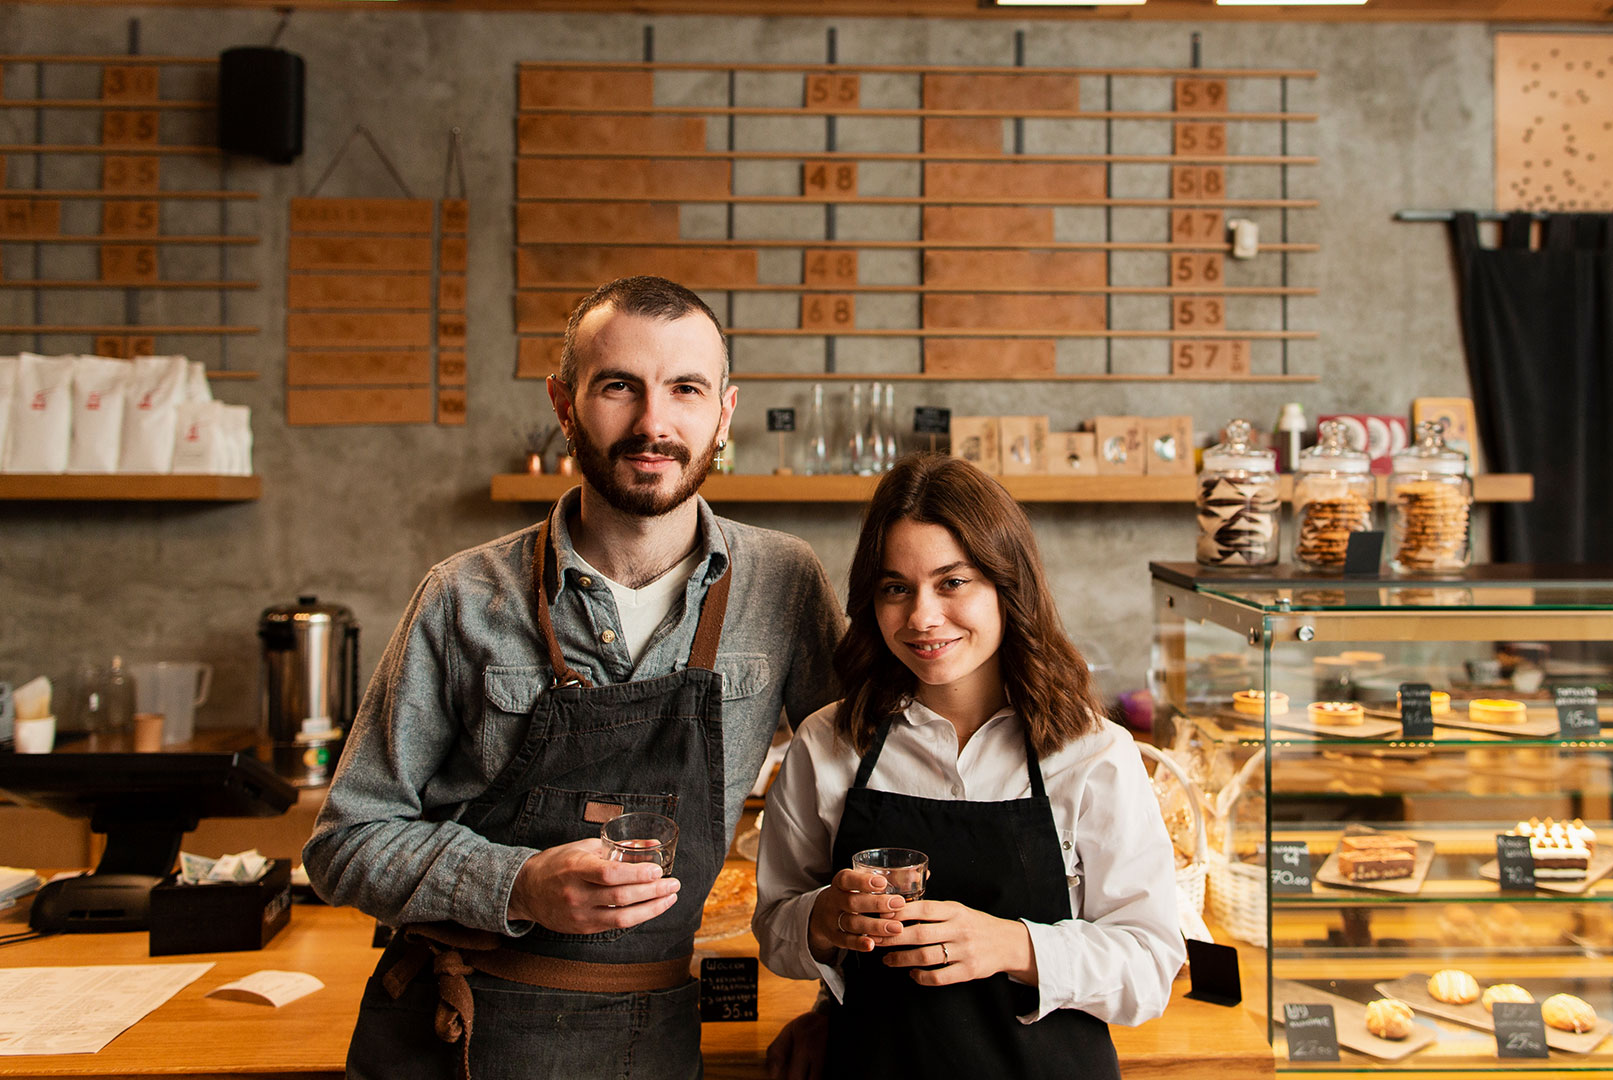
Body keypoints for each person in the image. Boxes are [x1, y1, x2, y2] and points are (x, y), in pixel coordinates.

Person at [305, 275, 844, 1080]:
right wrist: (516, 884)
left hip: (654, 1038)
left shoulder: (784, 583)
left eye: (686, 389)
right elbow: (346, 841)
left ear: (723, 414)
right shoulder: (462, 596)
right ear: (564, 404)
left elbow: (867, 805)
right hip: (455, 1035)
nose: (654, 423)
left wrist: (839, 1004)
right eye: (618, 387)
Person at [752, 452, 1183, 1080]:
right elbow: (774, 931)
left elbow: (1149, 968)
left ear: (1008, 587)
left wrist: (1014, 945)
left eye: (953, 582)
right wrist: (822, 918)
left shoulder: (1094, 755)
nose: (923, 617)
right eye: (896, 587)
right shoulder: (829, 744)